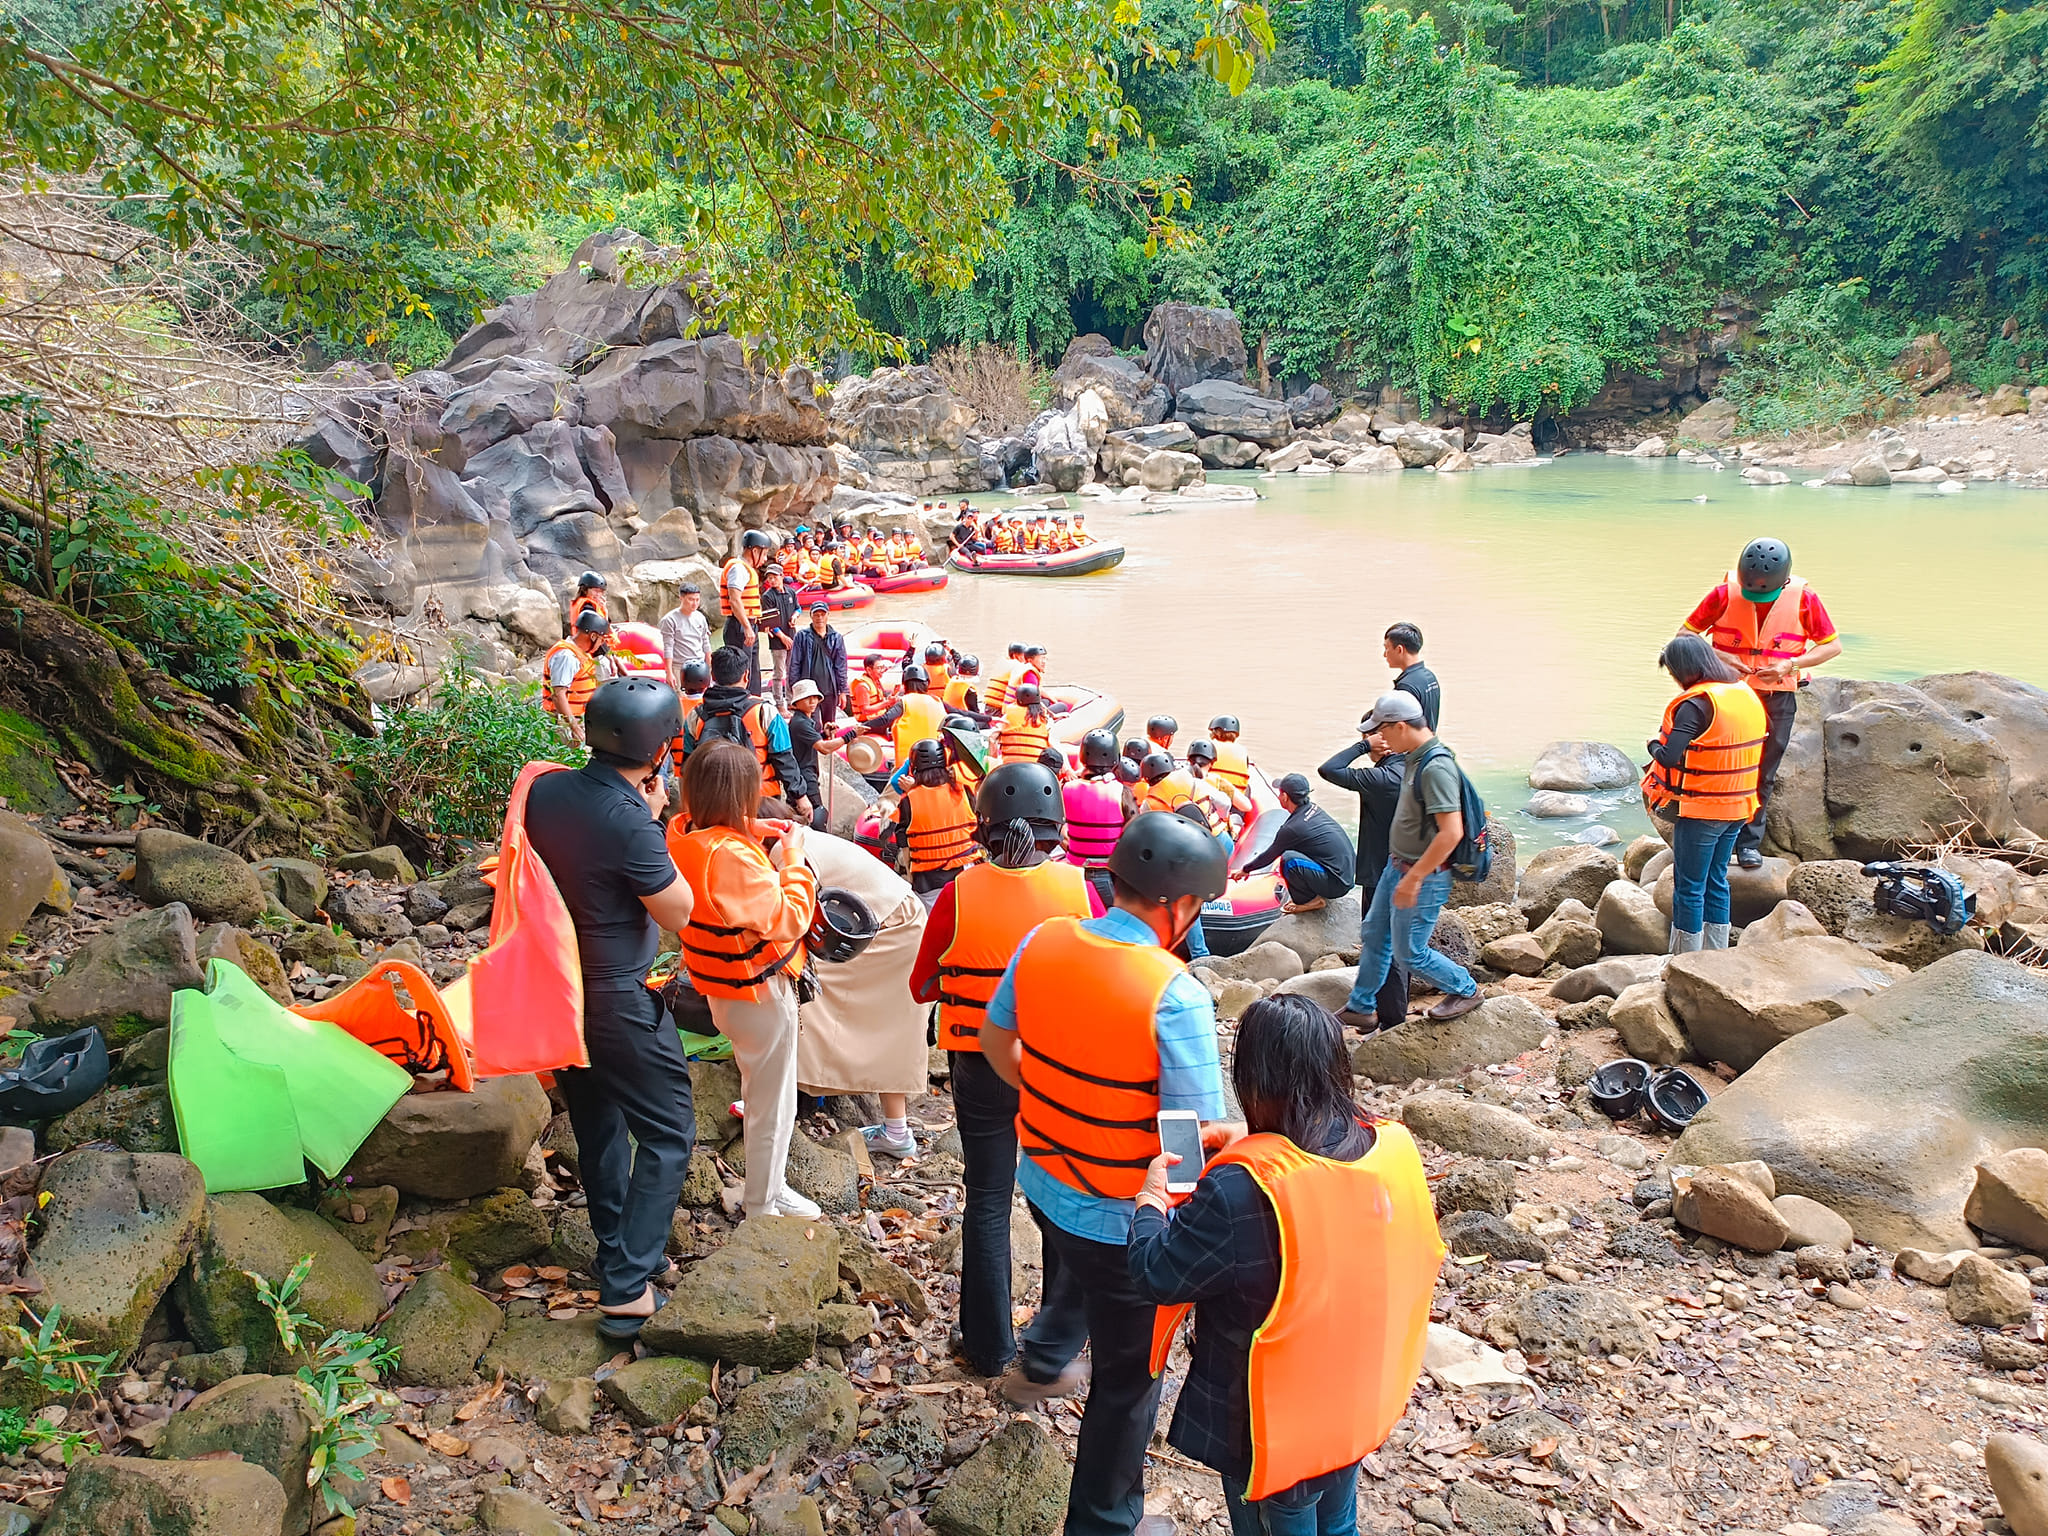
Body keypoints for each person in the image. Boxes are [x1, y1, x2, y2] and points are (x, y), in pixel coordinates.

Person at [981, 812, 1235, 1536]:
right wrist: (1177, 1238)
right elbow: (1186, 1142)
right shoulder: (1175, 992)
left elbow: (999, 1040)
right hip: (1123, 1217)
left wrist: (1046, 1099)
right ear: (1179, 905)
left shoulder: (1045, 940)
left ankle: (1042, 1361)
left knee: (1071, 1263)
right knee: (1127, 1382)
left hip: (1045, 1181)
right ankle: (1102, 1523)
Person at [1130, 995, 1442, 1536]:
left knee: (1279, 1519)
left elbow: (1157, 1272)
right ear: (1333, 1068)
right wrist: (1254, 1142)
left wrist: (1151, 1203)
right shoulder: (1387, 1146)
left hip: (1273, 1422)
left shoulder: (1239, 1190)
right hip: (1355, 1399)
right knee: (1338, 1516)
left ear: (1254, 1082)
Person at [524, 677, 699, 1339]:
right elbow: (676, 910)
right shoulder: (631, 821)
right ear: (656, 752)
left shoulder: (544, 790)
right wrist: (653, 819)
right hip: (617, 999)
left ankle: (615, 1251)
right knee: (669, 1129)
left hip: (558, 991)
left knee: (598, 1123)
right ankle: (627, 1290)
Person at [911, 762, 1099, 1376]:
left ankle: (989, 1350)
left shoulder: (959, 893)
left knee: (988, 1200)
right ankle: (1056, 1346)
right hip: (1060, 1071)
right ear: (1055, 829)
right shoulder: (1080, 892)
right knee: (1061, 1200)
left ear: (983, 827)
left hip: (980, 1064)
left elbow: (921, 987)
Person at [668, 742, 819, 1219]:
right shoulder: (734, 859)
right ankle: (762, 1207)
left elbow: (711, 839)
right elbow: (790, 918)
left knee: (762, 1093)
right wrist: (791, 858)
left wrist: (751, 828)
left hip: (721, 990)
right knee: (773, 1105)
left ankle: (770, 1185)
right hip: (760, 994)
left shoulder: (680, 834)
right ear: (745, 795)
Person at [1679, 537, 1841, 868]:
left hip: (1776, 695)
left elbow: (1832, 646)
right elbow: (1685, 636)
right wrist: (1721, 656)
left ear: (1784, 582)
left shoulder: (1804, 599)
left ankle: (1749, 843)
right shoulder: (1724, 593)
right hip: (1726, 696)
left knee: (1763, 770)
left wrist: (1790, 665)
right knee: (1716, 763)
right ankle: (1708, 835)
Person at [1339, 694, 1482, 1028]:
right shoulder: (1413, 758)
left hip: (1424, 874)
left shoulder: (1436, 767)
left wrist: (1414, 878)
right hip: (1397, 865)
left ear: (1400, 726)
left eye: (1382, 731)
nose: (1379, 740)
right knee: (1374, 932)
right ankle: (1361, 1006)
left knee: (1409, 952)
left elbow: (1451, 832)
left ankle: (1466, 989)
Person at [792, 817, 931, 1160]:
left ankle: (769, 1094)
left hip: (894, 925)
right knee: (892, 1026)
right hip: (894, 919)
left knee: (802, 990)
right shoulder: (798, 840)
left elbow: (789, 916)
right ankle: (895, 1131)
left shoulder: (793, 853)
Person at [1643, 634, 1767, 952]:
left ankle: (1684, 962)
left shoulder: (1696, 705)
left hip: (1704, 809)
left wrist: (1652, 745)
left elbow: (1669, 757)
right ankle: (1716, 957)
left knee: (1689, 887)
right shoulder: (1744, 693)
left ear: (1684, 669)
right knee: (1717, 880)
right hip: (1740, 807)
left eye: (1672, 672)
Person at [1318, 713, 1414, 1031]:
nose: (1367, 740)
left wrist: (1363, 746)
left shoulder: (1384, 779)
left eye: (1371, 735)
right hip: (1406, 868)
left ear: (1383, 738)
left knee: (1383, 943)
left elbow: (1329, 770)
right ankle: (1383, 1010)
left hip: (1382, 872)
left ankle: (1390, 1019)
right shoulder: (1410, 766)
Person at [678, 646, 812, 823]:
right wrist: (800, 797)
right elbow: (784, 760)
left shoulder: (695, 716)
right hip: (762, 805)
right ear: (746, 676)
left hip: (712, 805)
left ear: (713, 677)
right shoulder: (765, 711)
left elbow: (688, 766)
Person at [1238, 774, 1355, 914]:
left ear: (1285, 797)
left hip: (1336, 884)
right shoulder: (1313, 809)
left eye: (1280, 793)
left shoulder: (1292, 828)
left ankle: (1309, 901)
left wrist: (1245, 869)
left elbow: (1269, 855)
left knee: (1288, 860)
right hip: (1345, 875)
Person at [889, 738, 981, 897]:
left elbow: (905, 845)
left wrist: (911, 880)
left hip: (929, 880)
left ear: (914, 768)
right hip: (968, 872)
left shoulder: (909, 801)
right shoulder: (963, 790)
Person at [1064, 729, 1139, 909]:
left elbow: (1058, 827)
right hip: (1106, 874)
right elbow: (1135, 833)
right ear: (1115, 760)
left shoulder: (1067, 788)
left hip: (1073, 872)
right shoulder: (1121, 792)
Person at [543, 609, 613, 743]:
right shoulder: (566, 656)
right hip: (565, 722)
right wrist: (574, 727)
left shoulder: (581, 652)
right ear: (593, 636)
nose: (601, 644)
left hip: (579, 717)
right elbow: (558, 695)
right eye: (601, 639)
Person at [721, 528, 776, 694]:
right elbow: (734, 599)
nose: (765, 558)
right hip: (739, 626)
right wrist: (746, 627)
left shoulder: (746, 568)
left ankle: (754, 700)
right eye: (764, 554)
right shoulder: (739, 569)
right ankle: (742, 702)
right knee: (741, 669)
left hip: (748, 625)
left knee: (752, 667)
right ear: (755, 551)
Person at [859, 664, 946, 768]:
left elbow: (885, 719)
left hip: (908, 764)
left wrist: (861, 728)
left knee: (894, 782)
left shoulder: (904, 702)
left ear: (905, 685)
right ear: (927, 683)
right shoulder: (938, 701)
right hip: (937, 762)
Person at [785, 680, 840, 830]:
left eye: (815, 697)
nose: (812, 701)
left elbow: (811, 741)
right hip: (805, 779)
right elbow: (823, 748)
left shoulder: (805, 721)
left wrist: (823, 734)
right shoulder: (800, 722)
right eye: (807, 698)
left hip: (804, 777)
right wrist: (850, 736)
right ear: (797, 701)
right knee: (816, 819)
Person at [789, 600, 848, 726]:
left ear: (828, 615)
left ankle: (829, 744)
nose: (819, 618)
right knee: (812, 724)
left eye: (822, 614)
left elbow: (841, 666)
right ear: (811, 616)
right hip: (809, 690)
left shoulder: (836, 638)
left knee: (830, 724)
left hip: (829, 688)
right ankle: (814, 746)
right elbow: (795, 663)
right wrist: (794, 688)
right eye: (816, 614)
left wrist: (843, 691)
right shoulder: (802, 636)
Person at [1383, 623, 1441, 730]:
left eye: (1387, 648)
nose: (1384, 654)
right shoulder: (1429, 676)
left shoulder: (1406, 686)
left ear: (1399, 649)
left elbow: (1402, 729)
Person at [660, 581, 713, 697]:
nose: (694, 603)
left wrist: (709, 666)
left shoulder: (700, 617)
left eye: (697, 600)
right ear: (681, 598)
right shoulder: (669, 620)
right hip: (680, 666)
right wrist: (669, 672)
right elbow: (668, 646)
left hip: (700, 664)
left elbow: (705, 642)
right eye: (691, 599)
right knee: (682, 699)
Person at [759, 562, 799, 707]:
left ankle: (791, 700)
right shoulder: (767, 596)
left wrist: (795, 616)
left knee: (792, 670)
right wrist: (782, 637)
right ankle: (779, 703)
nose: (772, 580)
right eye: (769, 578)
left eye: (774, 577)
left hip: (791, 634)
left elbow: (798, 608)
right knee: (778, 673)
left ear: (782, 576)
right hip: (777, 640)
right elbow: (769, 621)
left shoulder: (791, 592)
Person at [999, 682, 1055, 765]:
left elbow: (994, 737)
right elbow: (1052, 742)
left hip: (1009, 765)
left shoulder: (1007, 715)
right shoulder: (1044, 718)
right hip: (1036, 766)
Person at [1206, 716, 1253, 800]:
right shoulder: (1243, 751)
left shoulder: (1209, 746)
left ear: (1216, 732)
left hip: (1210, 798)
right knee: (1248, 788)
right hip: (1236, 803)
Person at [849, 654, 890, 719]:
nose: (882, 670)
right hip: (867, 720)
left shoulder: (875, 681)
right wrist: (887, 703)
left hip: (879, 716)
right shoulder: (862, 686)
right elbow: (865, 710)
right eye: (879, 668)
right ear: (869, 670)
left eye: (882, 667)